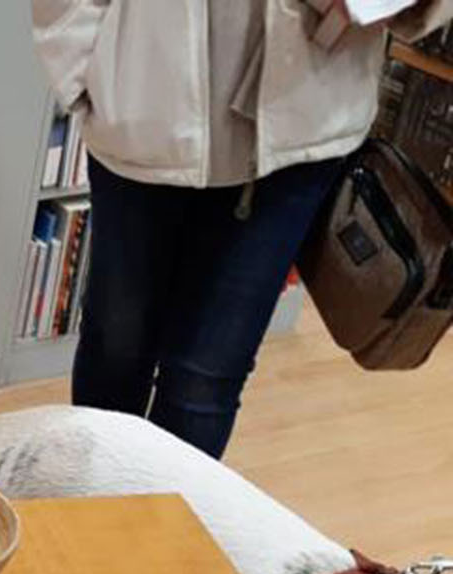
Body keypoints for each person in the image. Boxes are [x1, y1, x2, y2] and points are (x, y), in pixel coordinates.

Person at [33, 0, 453, 459]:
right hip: (144, 103)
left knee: (206, 376)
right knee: (116, 347)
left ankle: (169, 506)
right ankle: (88, 500)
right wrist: (77, 65)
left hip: (302, 122)